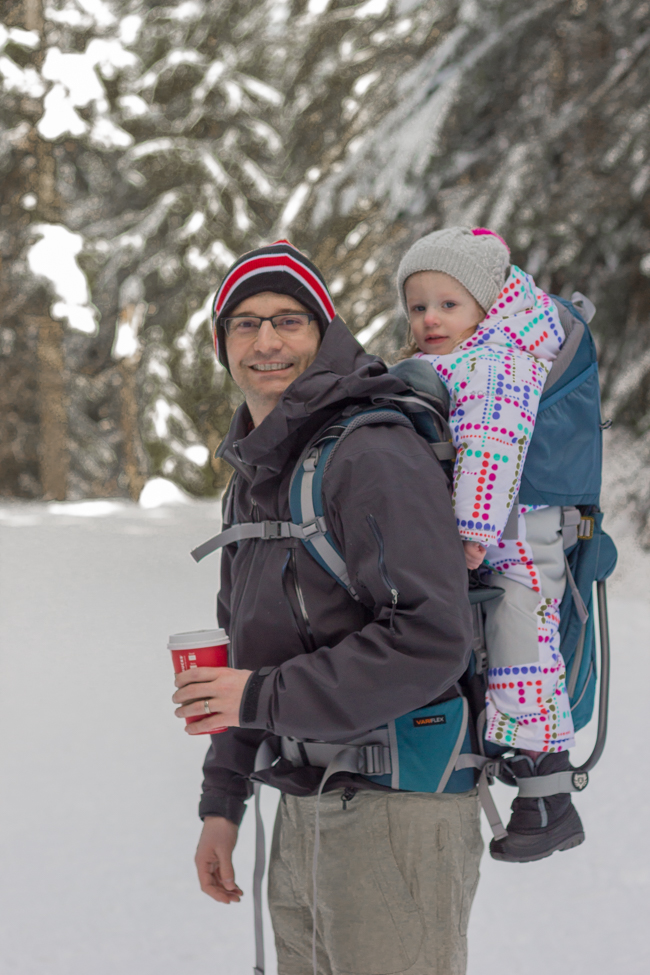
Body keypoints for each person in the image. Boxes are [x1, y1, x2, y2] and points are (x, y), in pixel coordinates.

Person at [172, 239, 483, 975]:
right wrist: (224, 802)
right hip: (306, 803)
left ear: (325, 333)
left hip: (400, 806)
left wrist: (259, 694)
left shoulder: (371, 451)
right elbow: (248, 651)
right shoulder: (258, 472)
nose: (267, 341)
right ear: (223, 345)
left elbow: (433, 637)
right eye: (244, 323)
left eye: (288, 319)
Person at [396, 226, 584, 861]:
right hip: (500, 530)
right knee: (502, 644)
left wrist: (469, 533)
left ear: (486, 303)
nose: (428, 319)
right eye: (418, 306)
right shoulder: (469, 354)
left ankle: (549, 797)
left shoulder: (498, 361)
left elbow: (490, 449)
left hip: (519, 534)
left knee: (521, 646)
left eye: (447, 304)